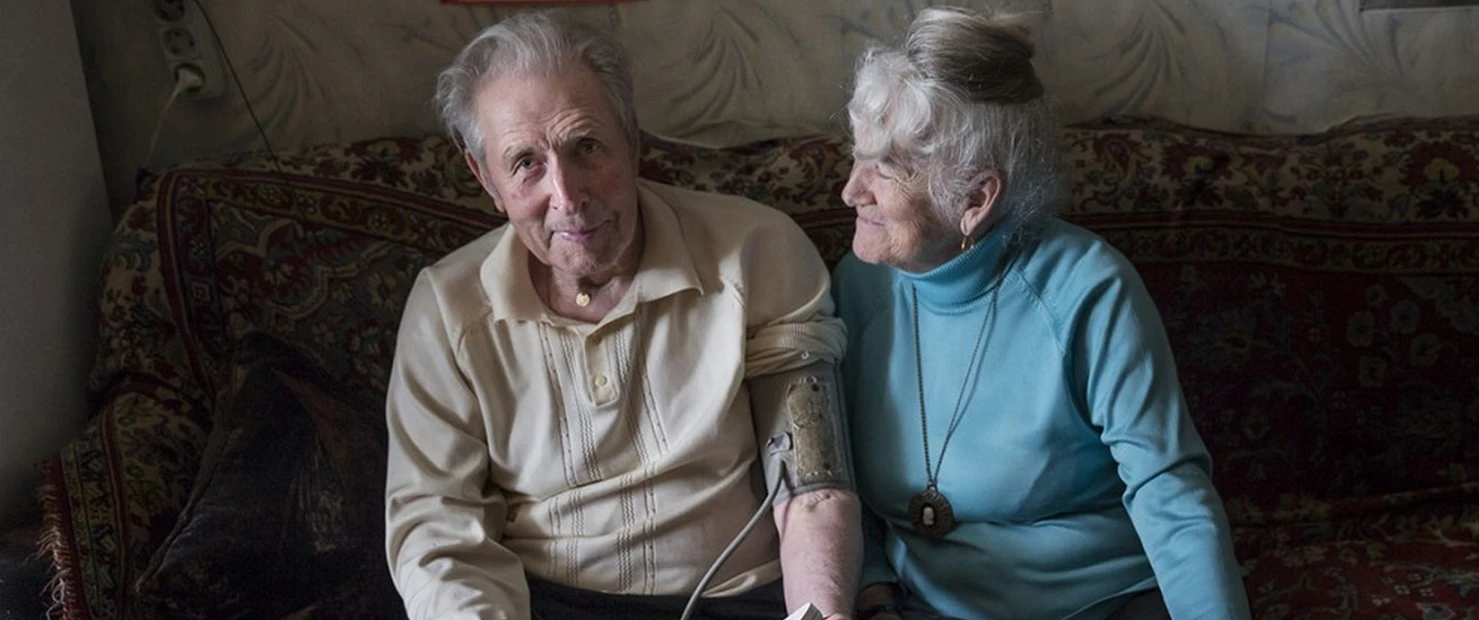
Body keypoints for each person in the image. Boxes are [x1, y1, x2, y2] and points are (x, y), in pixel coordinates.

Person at [384, 12, 858, 620]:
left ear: (633, 140)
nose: (568, 195)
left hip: (742, 600)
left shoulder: (756, 250)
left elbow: (813, 486)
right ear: (486, 179)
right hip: (546, 604)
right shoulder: (446, 312)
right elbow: (437, 538)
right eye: (526, 162)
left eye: (587, 146)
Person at [831, 7, 1252, 620]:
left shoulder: (1089, 289)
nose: (850, 190)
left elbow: (1169, 490)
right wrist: (871, 595)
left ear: (975, 198)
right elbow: (832, 480)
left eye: (885, 170)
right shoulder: (858, 284)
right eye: (857, 155)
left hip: (1107, 602)